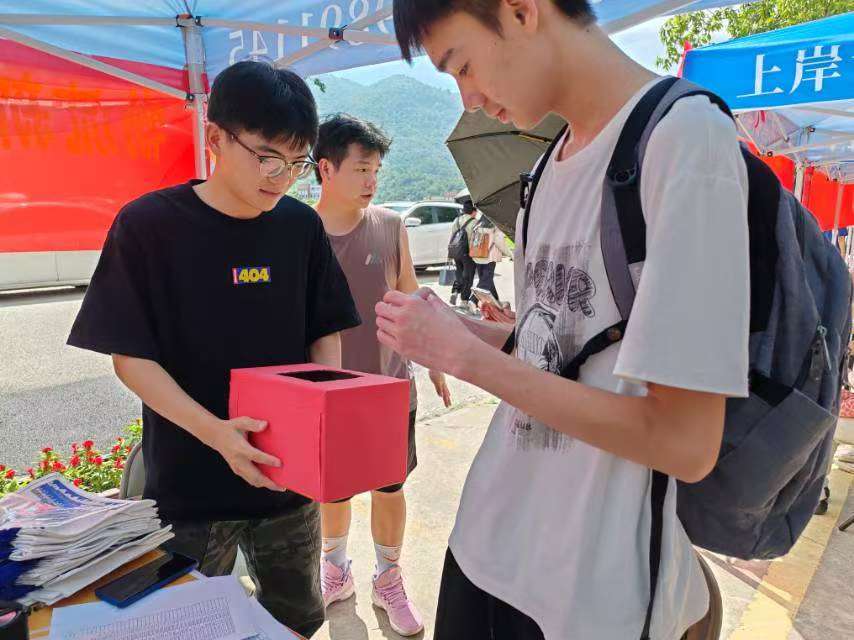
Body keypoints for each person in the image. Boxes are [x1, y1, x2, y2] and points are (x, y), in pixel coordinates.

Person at [378, 2, 750, 639]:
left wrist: (468, 359)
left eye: (462, 66)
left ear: (522, 11)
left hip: (584, 591)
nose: (470, 98)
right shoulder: (549, 163)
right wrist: (457, 333)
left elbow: (685, 444)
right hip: (484, 544)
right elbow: (558, 353)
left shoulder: (684, 140)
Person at [66, 61, 361, 638]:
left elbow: (326, 327)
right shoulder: (149, 225)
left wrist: (321, 416)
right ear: (216, 137)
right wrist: (217, 433)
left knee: (296, 619)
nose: (281, 177)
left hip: (288, 486)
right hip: (190, 487)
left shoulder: (300, 227)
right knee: (187, 626)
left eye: (297, 162)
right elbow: (130, 356)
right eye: (267, 156)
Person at [313, 113, 452, 637]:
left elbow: (411, 295)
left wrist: (435, 360)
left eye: (376, 171)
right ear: (326, 168)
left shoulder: (391, 226)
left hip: (391, 388)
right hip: (327, 394)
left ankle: (388, 578)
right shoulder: (300, 233)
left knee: (389, 488)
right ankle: (335, 570)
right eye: (361, 169)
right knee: (332, 490)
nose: (372, 181)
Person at [468, 213, 512, 305]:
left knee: (488, 280)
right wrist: (512, 255)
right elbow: (500, 242)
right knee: (485, 281)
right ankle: (473, 300)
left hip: (478, 256)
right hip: (489, 257)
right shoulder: (494, 226)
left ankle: (495, 301)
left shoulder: (477, 225)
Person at [448, 200, 478, 312]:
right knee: (468, 277)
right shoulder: (474, 222)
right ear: (473, 211)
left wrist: (450, 252)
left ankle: (455, 291)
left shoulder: (457, 220)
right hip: (468, 253)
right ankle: (464, 301)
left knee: (459, 274)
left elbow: (452, 235)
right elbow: (475, 240)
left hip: (457, 252)